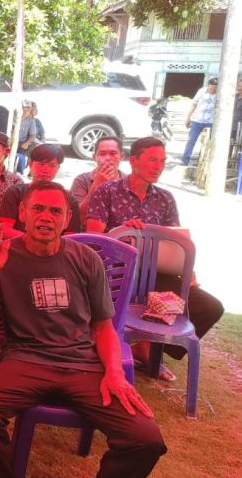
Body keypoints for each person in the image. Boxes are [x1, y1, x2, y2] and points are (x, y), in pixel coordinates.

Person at [0, 182, 167, 478]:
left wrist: (114, 372)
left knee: (146, 439)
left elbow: (103, 326)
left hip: (82, 365)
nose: (46, 217)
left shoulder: (86, 259)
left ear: (68, 217)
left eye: (55, 211)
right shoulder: (1, 256)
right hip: (24, 360)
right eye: (38, 208)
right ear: (22, 212)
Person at [86, 137, 224, 381]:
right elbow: (94, 240)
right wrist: (123, 233)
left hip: (156, 276)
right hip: (117, 275)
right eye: (152, 160)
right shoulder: (107, 191)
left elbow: (177, 241)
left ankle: (148, 347)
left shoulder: (165, 198)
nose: (158, 166)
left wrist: (187, 271)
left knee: (209, 307)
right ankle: (133, 348)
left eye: (162, 161)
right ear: (133, 160)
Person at [0, 144, 82, 237]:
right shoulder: (15, 193)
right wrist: (34, 241)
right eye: (41, 164)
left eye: (52, 165)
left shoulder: (69, 200)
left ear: (58, 168)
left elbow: (71, 237)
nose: (45, 170)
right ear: (30, 165)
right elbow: (4, 229)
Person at [70, 135, 126, 227]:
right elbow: (78, 217)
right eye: (102, 154)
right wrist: (97, 185)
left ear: (122, 156)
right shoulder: (82, 180)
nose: (107, 158)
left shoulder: (128, 182)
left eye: (113, 153)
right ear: (94, 157)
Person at [181, 77, 218, 166]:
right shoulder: (201, 91)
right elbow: (194, 104)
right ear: (208, 86)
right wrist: (188, 118)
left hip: (210, 122)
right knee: (191, 141)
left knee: (206, 143)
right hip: (197, 120)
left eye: (214, 89)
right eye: (211, 88)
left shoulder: (220, 94)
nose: (212, 90)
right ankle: (185, 160)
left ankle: (201, 162)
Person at [14, 101, 38, 174]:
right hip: (11, 141)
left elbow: (33, 135)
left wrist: (27, 143)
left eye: (28, 108)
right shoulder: (14, 116)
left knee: (35, 149)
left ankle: (27, 171)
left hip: (22, 143)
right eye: (24, 107)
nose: (26, 109)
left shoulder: (31, 120)